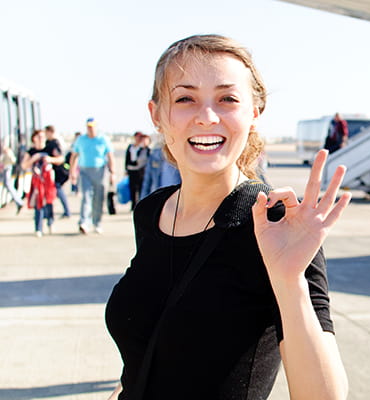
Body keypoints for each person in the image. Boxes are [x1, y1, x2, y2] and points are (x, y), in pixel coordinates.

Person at [104, 34, 350, 400]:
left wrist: (289, 280)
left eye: (227, 99)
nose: (206, 117)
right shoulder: (152, 211)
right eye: (185, 98)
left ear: (254, 113)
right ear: (158, 115)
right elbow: (146, 360)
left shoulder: (279, 224)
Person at [69, 118, 115, 234]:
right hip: (85, 171)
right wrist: (72, 172)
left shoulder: (103, 139)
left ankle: (97, 222)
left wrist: (112, 173)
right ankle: (84, 222)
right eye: (89, 126)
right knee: (86, 196)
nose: (91, 128)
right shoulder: (81, 140)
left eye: (93, 126)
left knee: (99, 198)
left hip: (100, 171)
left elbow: (110, 156)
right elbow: (74, 156)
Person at [21, 130, 60, 237]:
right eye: (39, 137)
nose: (41, 139)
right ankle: (38, 228)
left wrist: (50, 159)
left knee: (49, 203)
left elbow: (60, 159)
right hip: (37, 182)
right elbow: (24, 165)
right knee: (38, 204)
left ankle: (50, 222)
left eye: (43, 137)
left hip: (49, 181)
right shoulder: (31, 151)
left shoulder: (50, 148)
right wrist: (33, 159)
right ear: (34, 138)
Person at [140, 135, 181, 199]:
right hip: (158, 199)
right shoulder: (155, 155)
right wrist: (142, 204)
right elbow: (147, 182)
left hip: (179, 200)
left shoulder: (184, 156)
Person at [44, 125, 71, 218]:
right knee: (56, 191)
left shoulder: (55, 143)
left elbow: (60, 158)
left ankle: (67, 211)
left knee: (58, 191)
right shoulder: (50, 142)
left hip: (57, 172)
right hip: (53, 171)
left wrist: (49, 160)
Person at [124, 131, 150, 210]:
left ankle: (140, 204)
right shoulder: (131, 147)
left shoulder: (144, 149)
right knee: (132, 188)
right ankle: (133, 204)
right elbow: (127, 158)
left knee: (140, 187)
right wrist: (126, 169)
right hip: (131, 169)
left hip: (140, 171)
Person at [1, 138, 24, 214]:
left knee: (8, 185)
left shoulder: (6, 150)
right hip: (6, 168)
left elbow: (12, 160)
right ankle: (19, 202)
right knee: (7, 185)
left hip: (6, 168)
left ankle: (19, 202)